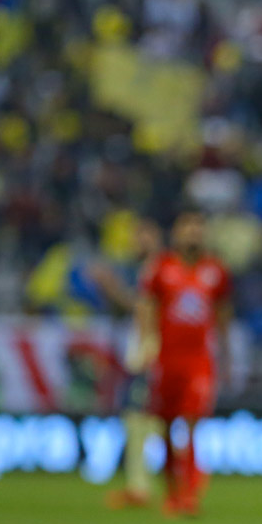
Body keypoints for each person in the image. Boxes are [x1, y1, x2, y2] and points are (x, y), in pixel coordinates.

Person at [135, 208, 232, 517]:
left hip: (199, 360)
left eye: (197, 227)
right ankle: (172, 492)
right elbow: (148, 306)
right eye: (187, 226)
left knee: (191, 424)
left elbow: (223, 314)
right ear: (176, 231)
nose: (193, 232)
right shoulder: (161, 268)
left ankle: (190, 494)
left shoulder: (215, 270)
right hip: (167, 359)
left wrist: (226, 353)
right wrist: (147, 342)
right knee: (164, 425)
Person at [105, 217, 165, 509]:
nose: (137, 241)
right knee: (139, 419)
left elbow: (147, 310)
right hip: (146, 351)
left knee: (142, 418)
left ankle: (144, 486)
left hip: (151, 353)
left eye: (144, 235)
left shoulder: (158, 269)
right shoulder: (145, 270)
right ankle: (140, 485)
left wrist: (148, 350)